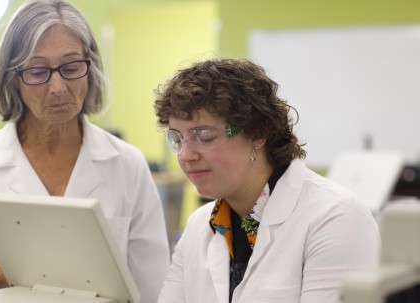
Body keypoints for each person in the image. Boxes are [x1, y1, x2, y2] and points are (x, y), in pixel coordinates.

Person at [0, 0, 170, 301]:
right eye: (37, 72)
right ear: (13, 78)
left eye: (72, 68)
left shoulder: (127, 165)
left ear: (91, 67)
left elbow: (153, 287)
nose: (58, 87)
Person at [153, 58, 380, 303]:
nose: (186, 155)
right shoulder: (201, 226)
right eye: (177, 139)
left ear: (258, 133)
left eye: (204, 136)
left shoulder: (335, 216)